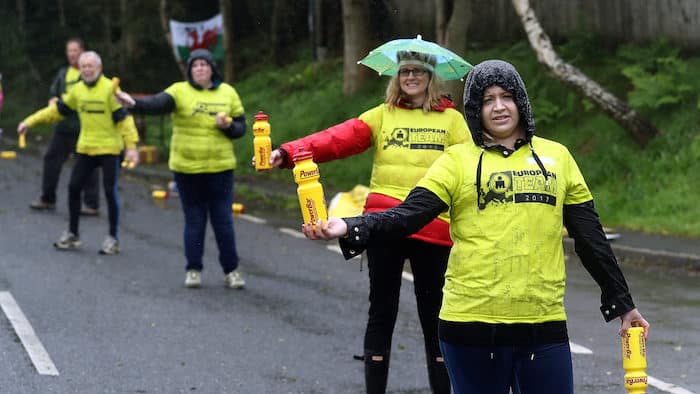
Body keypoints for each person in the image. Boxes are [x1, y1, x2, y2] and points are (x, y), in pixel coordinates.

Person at [302, 59, 650, 394]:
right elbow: (409, 214)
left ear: (521, 101)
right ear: (474, 109)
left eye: (507, 97)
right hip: (470, 325)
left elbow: (590, 238)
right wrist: (349, 227)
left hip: (542, 324)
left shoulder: (557, 158)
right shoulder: (456, 160)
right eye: (487, 100)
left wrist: (623, 303)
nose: (499, 107)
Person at [263, 50, 469, 393]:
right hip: (382, 226)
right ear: (396, 77)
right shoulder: (381, 116)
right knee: (381, 311)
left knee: (435, 315)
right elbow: (336, 139)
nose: (411, 77)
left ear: (432, 77)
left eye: (418, 71)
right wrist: (288, 152)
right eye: (405, 72)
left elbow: (469, 168)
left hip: (433, 226)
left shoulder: (453, 121)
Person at [115, 48, 247, 289]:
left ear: (212, 68)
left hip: (220, 168)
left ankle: (232, 271)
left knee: (223, 221)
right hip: (187, 169)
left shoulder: (228, 92)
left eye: (204, 65)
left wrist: (227, 126)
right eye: (195, 65)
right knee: (194, 220)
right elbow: (157, 104)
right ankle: (193, 269)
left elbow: (241, 127)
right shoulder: (179, 91)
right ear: (189, 70)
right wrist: (133, 103)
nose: (200, 69)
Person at [18, 51, 140, 255]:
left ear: (99, 68)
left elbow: (124, 120)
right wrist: (29, 122)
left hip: (110, 148)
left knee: (110, 192)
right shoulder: (77, 90)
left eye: (91, 66)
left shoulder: (111, 89)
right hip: (86, 147)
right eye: (84, 66)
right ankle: (73, 234)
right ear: (79, 70)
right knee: (74, 188)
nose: (87, 70)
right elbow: (56, 111)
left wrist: (132, 147)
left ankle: (113, 238)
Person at [29, 38, 101, 216]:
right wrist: (52, 100)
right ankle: (48, 198)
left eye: (75, 50)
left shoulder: (89, 74)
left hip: (83, 128)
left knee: (89, 165)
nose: (72, 54)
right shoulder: (63, 73)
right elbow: (54, 95)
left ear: (82, 51)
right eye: (69, 51)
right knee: (51, 159)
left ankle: (91, 204)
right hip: (62, 128)